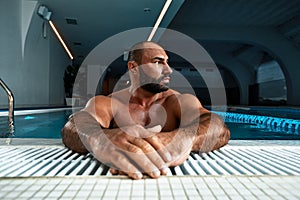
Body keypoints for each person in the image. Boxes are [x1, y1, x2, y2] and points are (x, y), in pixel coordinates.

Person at [61, 41, 230, 180]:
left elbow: (216, 126)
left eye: (167, 62)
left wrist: (185, 138)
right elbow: (74, 125)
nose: (168, 69)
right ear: (133, 67)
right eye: (158, 62)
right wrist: (100, 139)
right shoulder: (110, 103)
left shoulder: (177, 101)